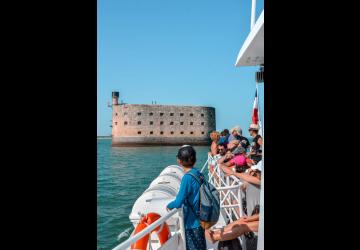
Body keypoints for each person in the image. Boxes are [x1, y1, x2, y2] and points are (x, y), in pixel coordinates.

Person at [167, 145, 206, 250]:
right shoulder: (199, 173)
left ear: (179, 161)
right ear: (195, 160)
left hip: (192, 222)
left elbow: (178, 202)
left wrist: (168, 206)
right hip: (202, 218)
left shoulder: (187, 178)